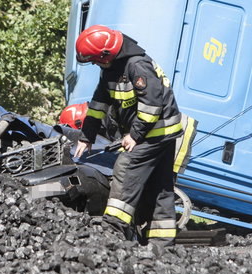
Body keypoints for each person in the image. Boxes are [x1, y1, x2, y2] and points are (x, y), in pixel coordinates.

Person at [72, 25, 183, 244]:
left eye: (95, 60)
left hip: (155, 132)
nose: (95, 64)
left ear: (106, 54)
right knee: (159, 187)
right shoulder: (111, 68)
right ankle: (162, 245)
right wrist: (87, 136)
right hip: (156, 133)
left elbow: (152, 105)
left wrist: (134, 136)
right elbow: (98, 104)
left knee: (126, 166)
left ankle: (113, 229)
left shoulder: (137, 65)